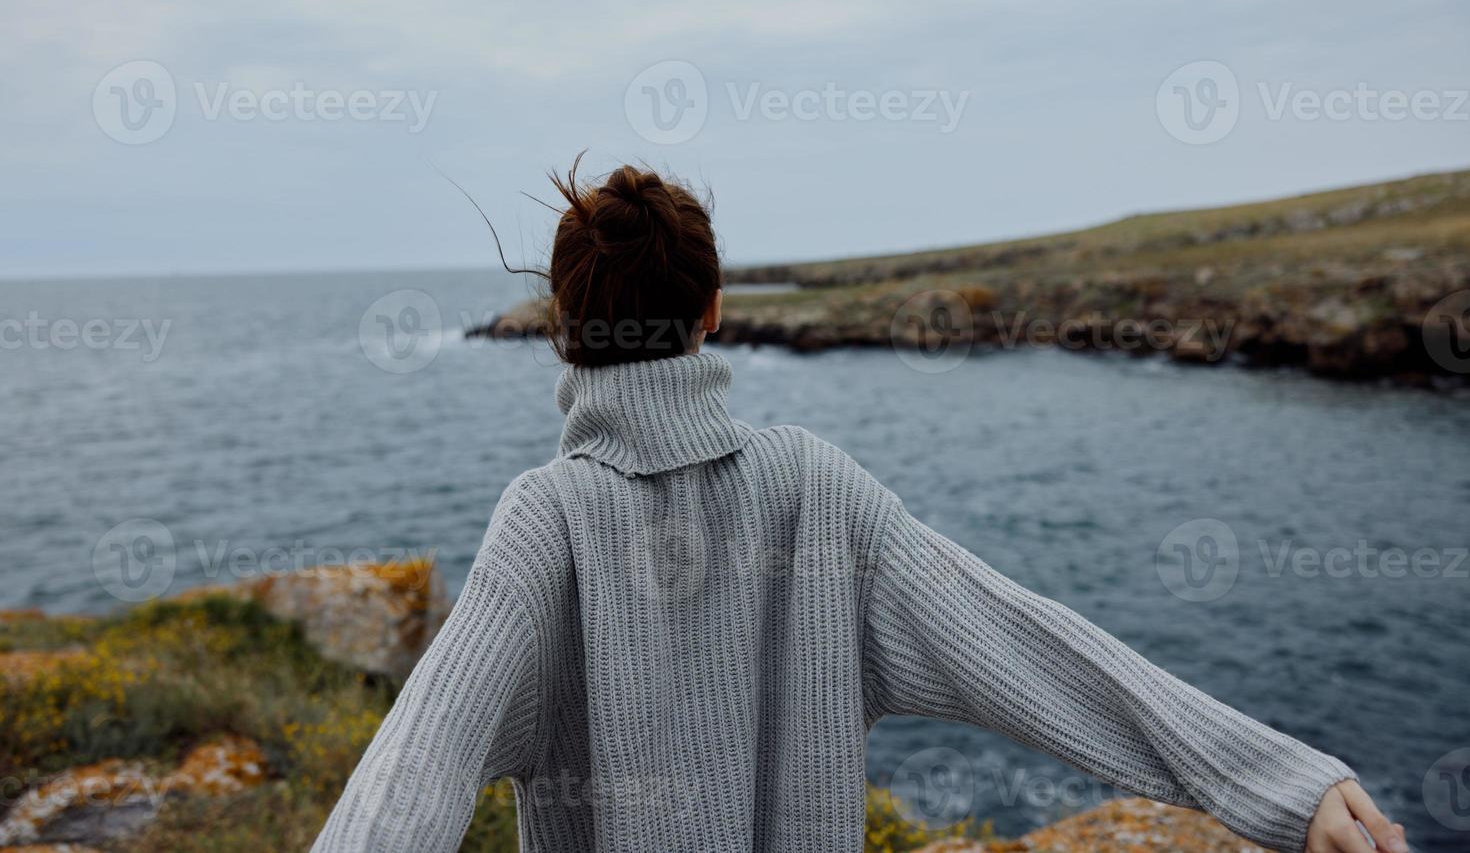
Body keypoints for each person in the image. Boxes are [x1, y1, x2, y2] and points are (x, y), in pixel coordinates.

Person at [314, 159, 1408, 853]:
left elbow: (417, 767)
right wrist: (1281, 781)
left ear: (560, 325)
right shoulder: (813, 488)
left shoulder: (544, 519)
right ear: (714, 314)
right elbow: (1033, 646)